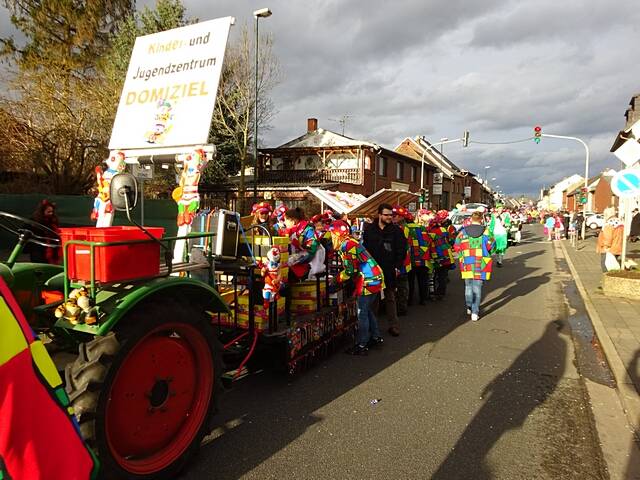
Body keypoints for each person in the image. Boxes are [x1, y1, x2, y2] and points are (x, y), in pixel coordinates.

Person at [329, 220, 384, 355]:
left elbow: (350, 270)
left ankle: (362, 344)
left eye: (332, 234)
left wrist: (336, 279)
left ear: (337, 234)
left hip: (368, 280)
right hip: (375, 277)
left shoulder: (347, 246)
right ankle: (376, 337)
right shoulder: (350, 242)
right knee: (367, 310)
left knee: (362, 313)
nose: (330, 237)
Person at [362, 203, 407, 337]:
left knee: (390, 297)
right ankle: (373, 327)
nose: (389, 217)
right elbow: (365, 248)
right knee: (373, 300)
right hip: (373, 269)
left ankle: (393, 325)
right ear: (380, 215)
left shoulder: (396, 231)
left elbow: (402, 250)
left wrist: (397, 266)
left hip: (389, 269)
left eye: (391, 215)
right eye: (386, 215)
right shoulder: (370, 230)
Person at [454, 211, 494, 322]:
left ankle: (469, 306)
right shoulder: (487, 232)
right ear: (481, 219)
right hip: (481, 263)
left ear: (471, 219)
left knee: (468, 286)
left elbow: (456, 246)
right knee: (477, 287)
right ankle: (475, 312)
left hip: (467, 262)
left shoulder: (463, 232)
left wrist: (463, 252)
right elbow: (492, 245)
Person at [284, 207, 324, 280]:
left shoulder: (308, 230)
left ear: (293, 221)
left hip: (310, 264)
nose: (284, 223)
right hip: (297, 262)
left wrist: (294, 259)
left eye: (286, 220)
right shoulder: (290, 231)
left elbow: (311, 250)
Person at [29, 199, 61, 264]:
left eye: (52, 211)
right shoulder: (34, 222)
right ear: (42, 211)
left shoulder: (53, 221)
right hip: (39, 250)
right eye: (48, 212)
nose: (51, 213)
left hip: (52, 248)